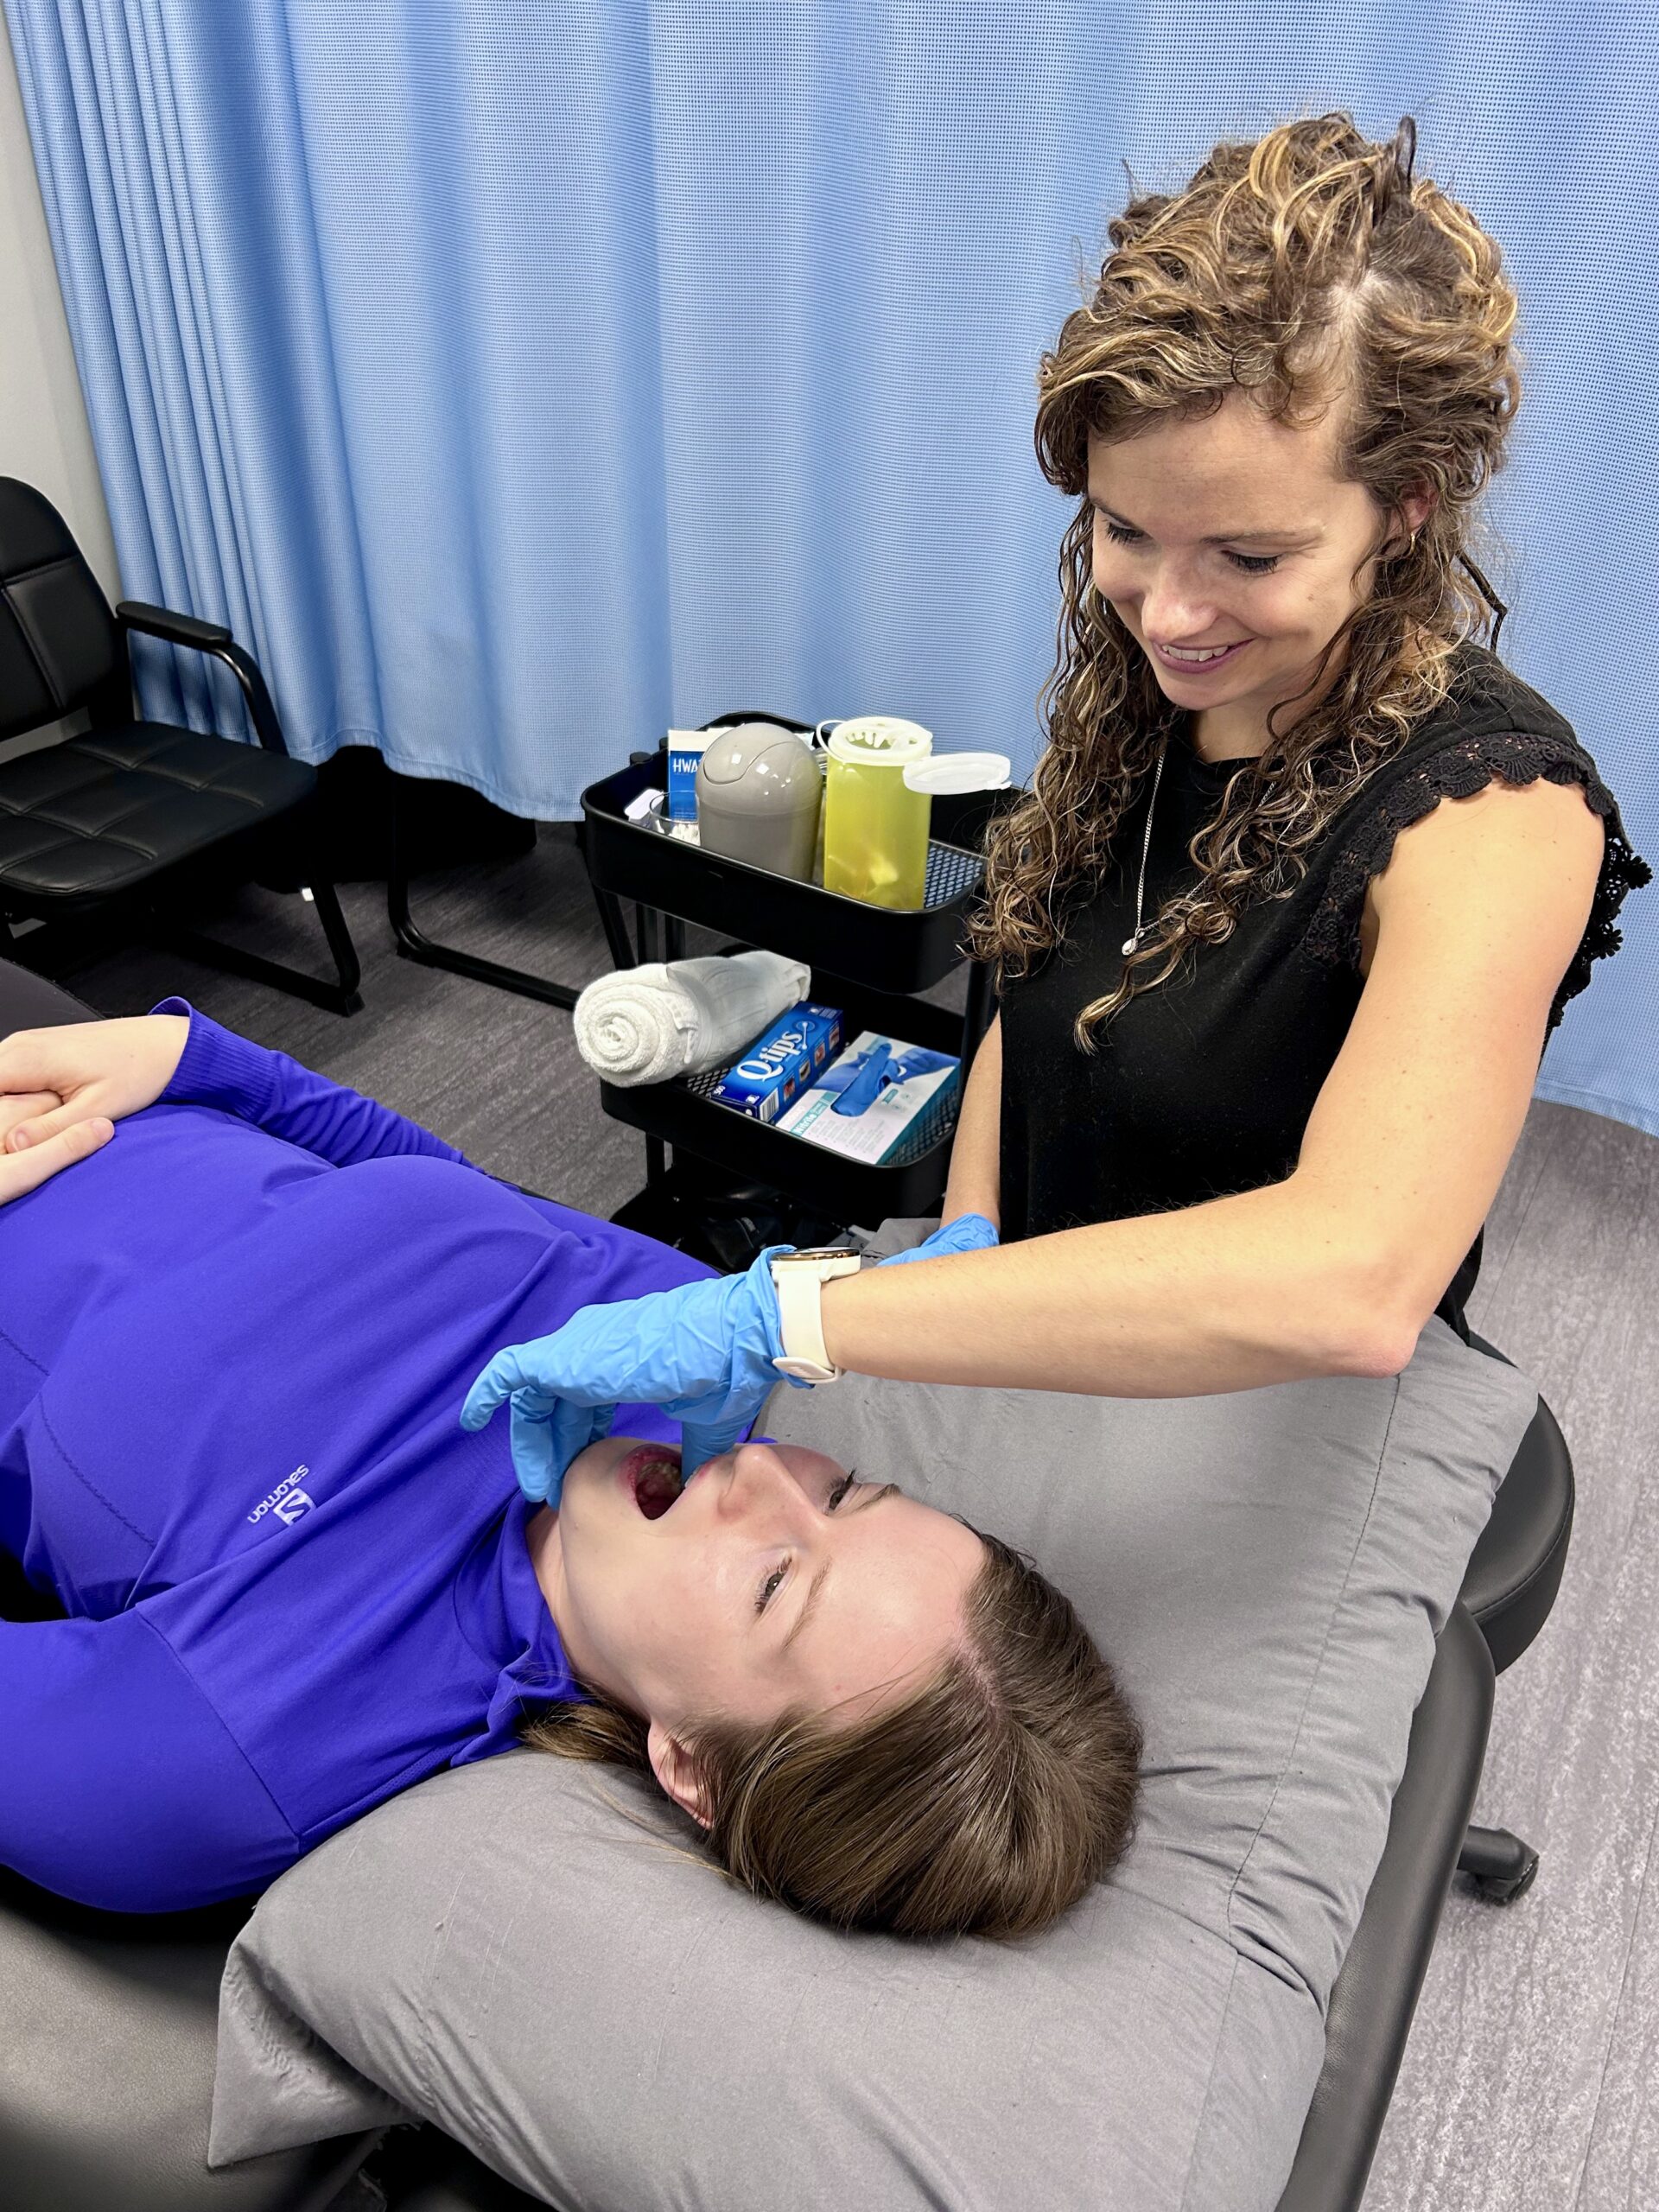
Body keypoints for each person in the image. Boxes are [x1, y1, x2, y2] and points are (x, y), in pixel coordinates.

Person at [461, 111, 1650, 1497]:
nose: (1173, 610)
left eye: (1251, 554)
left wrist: (792, 1311)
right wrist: (966, 1232)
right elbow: (1034, 980)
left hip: (1267, 1415)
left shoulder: (1492, 816)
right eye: (1125, 530)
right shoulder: (1158, 681)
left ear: (1404, 511)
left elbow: (1353, 1279)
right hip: (1031, 1322)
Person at [0, 969, 1140, 1940]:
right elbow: (446, 1197)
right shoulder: (689, 1353)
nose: (755, 1479)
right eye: (844, 1492)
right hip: (109, 1073)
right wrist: (202, 1059)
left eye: (778, 1583)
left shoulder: (250, 1738)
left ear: (689, 1764)